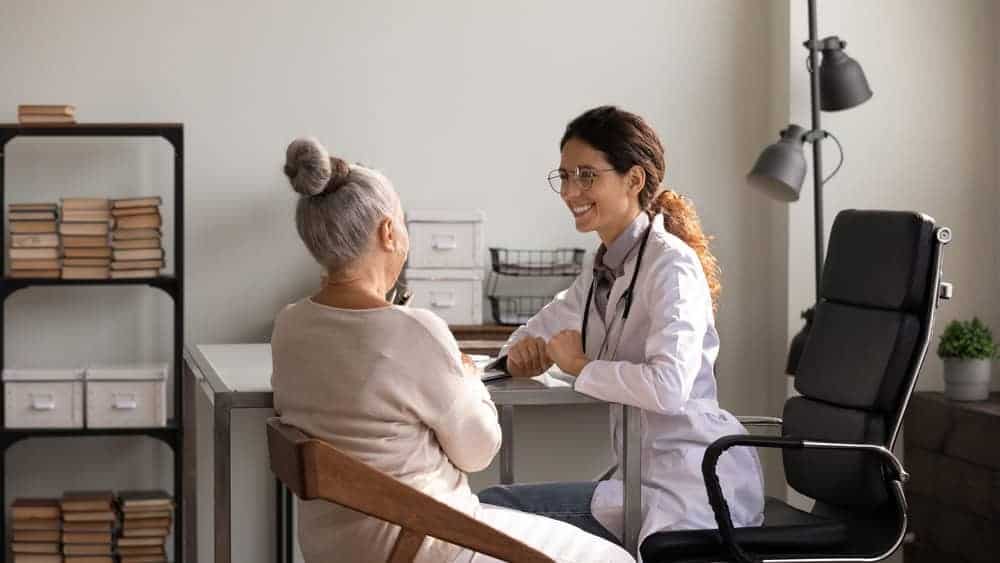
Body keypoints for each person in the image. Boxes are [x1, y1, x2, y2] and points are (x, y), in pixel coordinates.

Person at [270, 137, 634, 563]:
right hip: (425, 541)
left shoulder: (290, 324)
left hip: (336, 548)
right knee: (616, 559)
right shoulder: (414, 331)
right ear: (389, 232)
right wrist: (467, 379)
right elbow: (479, 451)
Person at [478, 106, 765, 548]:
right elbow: (528, 337)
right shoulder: (602, 270)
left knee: (494, 509)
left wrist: (579, 365)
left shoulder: (672, 267)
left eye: (587, 175)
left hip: (688, 487)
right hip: (640, 479)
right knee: (496, 509)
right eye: (565, 176)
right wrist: (520, 357)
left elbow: (668, 387)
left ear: (633, 180)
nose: (571, 190)